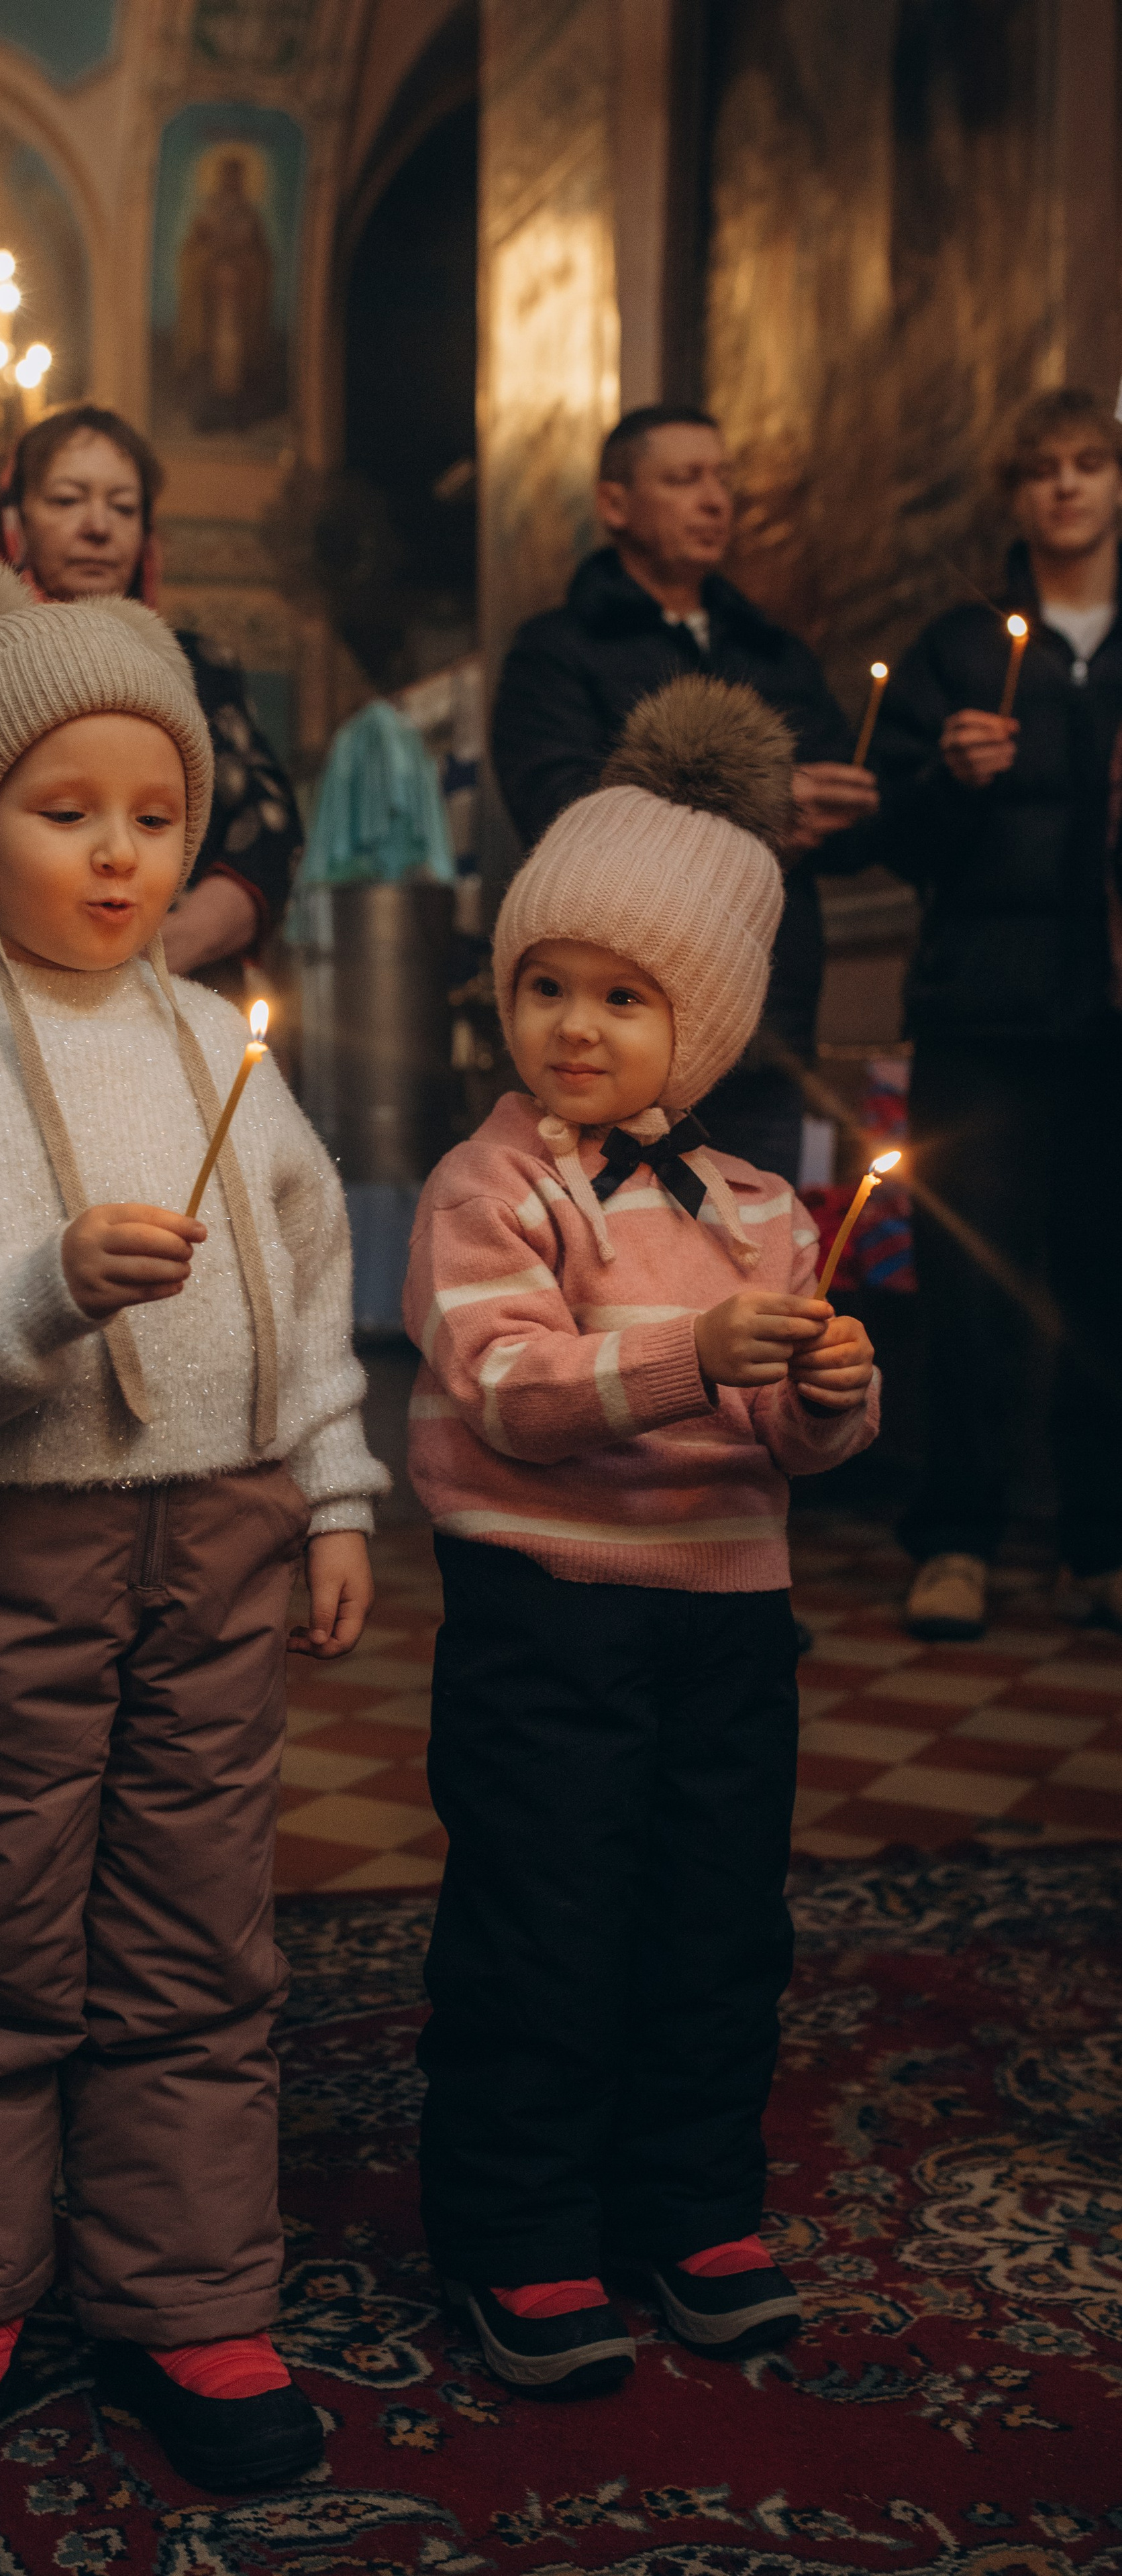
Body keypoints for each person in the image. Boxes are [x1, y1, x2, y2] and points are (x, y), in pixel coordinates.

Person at [0, 547, 385, 2514]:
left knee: (198, 1927)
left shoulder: (221, 1044)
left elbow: (302, 1271)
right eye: (64, 812)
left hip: (216, 1543)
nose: (118, 856)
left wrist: (341, 1489)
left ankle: (186, 2287)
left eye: (151, 813)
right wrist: (32, 1285)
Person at [403, 678, 878, 2397]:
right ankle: (518, 2229)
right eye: (547, 984)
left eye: (623, 994)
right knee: (546, 1914)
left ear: (713, 1021)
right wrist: (695, 1350)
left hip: (725, 1625)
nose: (576, 1026)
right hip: (545, 1616)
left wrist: (821, 1379)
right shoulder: (490, 1184)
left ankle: (688, 2203)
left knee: (709, 1915)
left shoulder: (757, 1207)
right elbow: (512, 1385)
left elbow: (794, 1443)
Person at [870, 387, 1122, 1641]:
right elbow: (888, 827)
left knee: (1108, 1288)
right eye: (1043, 470)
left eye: (1089, 464)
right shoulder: (963, 646)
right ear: (1017, 494)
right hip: (983, 1010)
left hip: (1114, 1017)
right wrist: (945, 780)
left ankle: (1101, 1542)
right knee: (970, 1286)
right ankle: (956, 1538)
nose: (1067, 487)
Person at [491, 405, 880, 1183]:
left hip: (767, 1020)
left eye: (723, 480)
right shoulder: (558, 650)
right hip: (615, 1025)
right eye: (683, 479)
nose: (714, 500)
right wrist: (766, 808)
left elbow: (862, 843)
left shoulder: (771, 649)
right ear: (615, 505)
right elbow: (560, 810)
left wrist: (845, 809)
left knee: (749, 1252)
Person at [0, 405, 302, 998]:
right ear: (17, 519)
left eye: (124, 507)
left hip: (177, 1000)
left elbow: (270, 831)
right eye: (66, 500)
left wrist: (155, 955)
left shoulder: (199, 670)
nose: (98, 527)